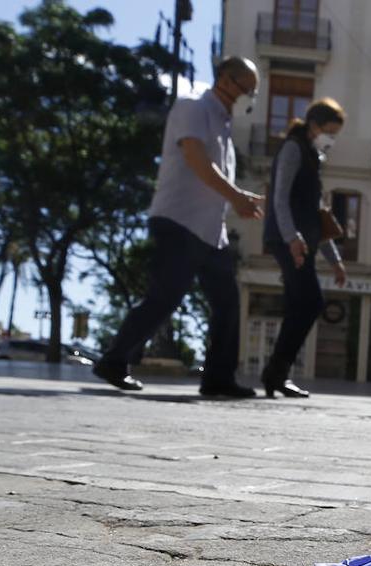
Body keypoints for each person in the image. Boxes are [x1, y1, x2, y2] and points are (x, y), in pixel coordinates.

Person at [93, 57, 264, 397]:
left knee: (227, 303)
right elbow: (195, 157)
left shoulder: (224, 124)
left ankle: (218, 378)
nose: (249, 97)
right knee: (164, 297)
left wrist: (234, 203)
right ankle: (113, 360)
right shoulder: (193, 107)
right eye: (248, 89)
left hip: (209, 230)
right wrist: (237, 196)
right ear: (227, 81)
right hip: (178, 220)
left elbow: (213, 172)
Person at [260, 99, 348, 399]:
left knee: (302, 304)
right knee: (310, 302)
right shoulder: (293, 149)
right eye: (329, 132)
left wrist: (334, 260)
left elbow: (318, 214)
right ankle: (276, 372)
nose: (332, 139)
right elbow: (280, 198)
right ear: (313, 126)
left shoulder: (313, 155)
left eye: (336, 134)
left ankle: (277, 374)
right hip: (288, 239)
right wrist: (292, 238)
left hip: (301, 240)